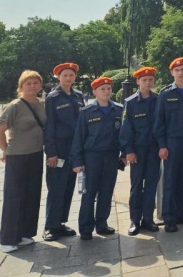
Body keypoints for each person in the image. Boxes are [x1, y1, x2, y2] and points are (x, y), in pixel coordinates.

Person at [0, 70, 47, 253]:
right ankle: (8, 238)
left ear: (40, 85)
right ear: (21, 86)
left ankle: (25, 233)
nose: (32, 86)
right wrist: (6, 150)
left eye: (35, 83)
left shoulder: (42, 104)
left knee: (32, 194)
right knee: (14, 197)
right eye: (28, 83)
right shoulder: (15, 106)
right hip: (17, 156)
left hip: (36, 154)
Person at [70, 76, 124, 240]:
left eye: (108, 89)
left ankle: (102, 224)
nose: (106, 92)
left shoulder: (118, 109)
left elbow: (123, 134)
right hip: (91, 157)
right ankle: (86, 228)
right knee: (89, 193)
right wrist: (77, 161)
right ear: (94, 91)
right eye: (102, 89)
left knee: (107, 191)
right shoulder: (86, 112)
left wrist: (124, 153)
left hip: (111, 156)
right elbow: (79, 137)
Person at [154, 56, 183, 232]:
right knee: (170, 179)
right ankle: (168, 216)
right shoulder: (166, 94)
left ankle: (181, 212)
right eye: (177, 70)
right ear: (172, 73)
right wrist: (162, 145)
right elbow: (159, 123)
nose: (180, 73)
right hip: (171, 143)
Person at [43, 62, 84, 241]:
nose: (68, 78)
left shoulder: (79, 96)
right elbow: (49, 126)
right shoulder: (53, 97)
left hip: (74, 149)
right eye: (65, 75)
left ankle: (60, 223)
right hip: (59, 149)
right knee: (56, 187)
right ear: (58, 77)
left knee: (68, 186)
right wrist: (51, 153)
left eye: (71, 75)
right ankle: (50, 226)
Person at [120, 67, 161, 235]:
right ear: (138, 82)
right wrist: (128, 151)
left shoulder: (158, 100)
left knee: (151, 185)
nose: (148, 83)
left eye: (150, 80)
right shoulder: (130, 102)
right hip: (137, 151)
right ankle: (134, 220)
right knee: (136, 186)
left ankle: (148, 219)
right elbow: (125, 129)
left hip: (153, 150)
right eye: (144, 80)